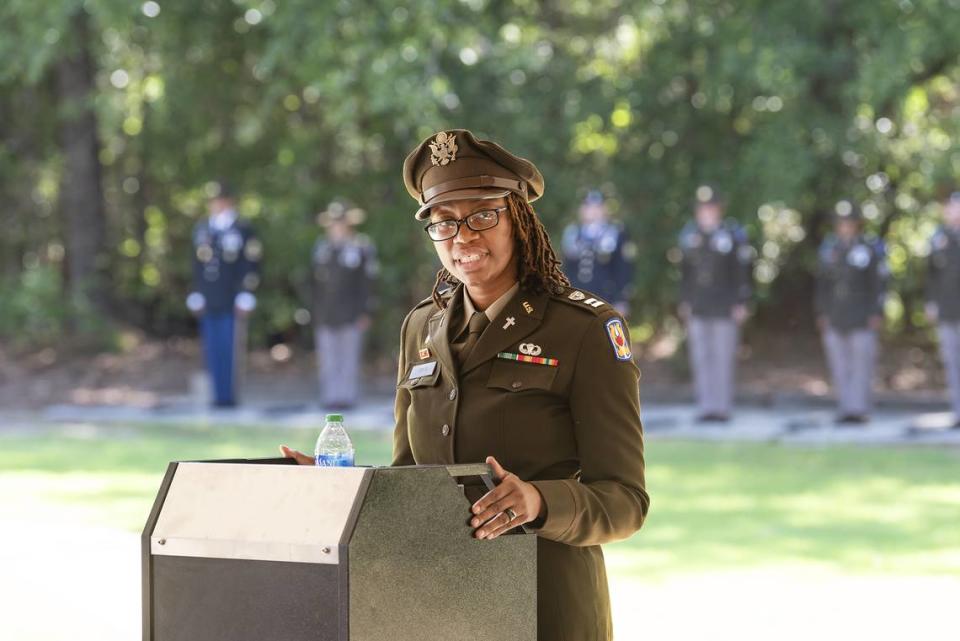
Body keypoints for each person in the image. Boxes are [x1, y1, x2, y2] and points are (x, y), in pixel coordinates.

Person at [282, 129, 648, 640]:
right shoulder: (420, 327)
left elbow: (626, 502)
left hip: (548, 609)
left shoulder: (585, 329)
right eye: (445, 222)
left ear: (518, 220)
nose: (463, 237)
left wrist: (538, 502)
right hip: (440, 608)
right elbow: (410, 481)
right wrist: (338, 486)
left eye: (482, 216)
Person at [677, 185, 753, 422]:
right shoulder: (690, 237)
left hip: (724, 306)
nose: (706, 213)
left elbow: (741, 271)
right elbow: (685, 273)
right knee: (701, 356)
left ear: (719, 210)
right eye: (702, 209)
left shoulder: (732, 235)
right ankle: (706, 406)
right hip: (699, 305)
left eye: (711, 208)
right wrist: (685, 300)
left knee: (723, 356)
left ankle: (722, 407)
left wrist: (741, 301)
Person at [186, 180, 261, 408]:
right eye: (212, 201)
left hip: (232, 297)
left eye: (220, 200)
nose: (216, 205)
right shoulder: (203, 229)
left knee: (231, 349)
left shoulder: (243, 229)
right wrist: (196, 292)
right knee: (212, 348)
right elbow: (196, 264)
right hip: (210, 298)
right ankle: (217, 396)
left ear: (229, 201)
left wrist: (246, 293)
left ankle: (229, 396)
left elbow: (251, 262)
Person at [815, 200, 888, 424]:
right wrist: (821, 312)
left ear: (857, 224)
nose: (845, 226)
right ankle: (845, 408)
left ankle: (859, 409)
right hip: (836, 314)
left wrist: (876, 311)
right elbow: (821, 284)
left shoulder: (869, 248)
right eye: (841, 222)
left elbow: (879, 283)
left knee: (861, 363)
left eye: (849, 222)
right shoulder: (829, 249)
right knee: (839, 363)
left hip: (862, 315)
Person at [311, 199, 378, 410]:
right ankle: (330, 398)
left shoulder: (361, 247)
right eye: (334, 223)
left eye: (341, 223)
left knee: (349, 356)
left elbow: (369, 282)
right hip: (326, 312)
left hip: (352, 311)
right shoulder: (322, 248)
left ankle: (347, 398)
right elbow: (313, 283)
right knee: (328, 357)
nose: (337, 227)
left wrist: (366, 311)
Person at [561, 189, 636, 316]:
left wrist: (622, 299)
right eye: (588, 206)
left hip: (606, 298)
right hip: (576, 298)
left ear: (604, 209)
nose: (592, 211)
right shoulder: (572, 233)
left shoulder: (615, 233)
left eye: (597, 207)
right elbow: (566, 269)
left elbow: (623, 269)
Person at [925, 191, 960, 428]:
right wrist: (930, 302)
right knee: (952, 362)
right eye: (951, 207)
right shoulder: (938, 238)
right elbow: (930, 275)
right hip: (947, 310)